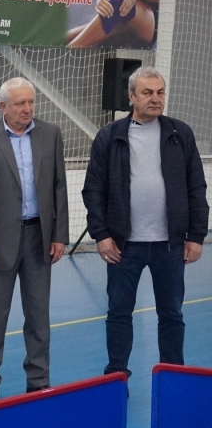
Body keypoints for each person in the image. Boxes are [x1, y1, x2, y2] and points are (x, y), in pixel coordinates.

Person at [82, 66, 208, 381]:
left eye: (160, 92)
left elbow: (196, 187)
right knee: (119, 313)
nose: (155, 98)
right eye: (147, 92)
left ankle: (173, 376)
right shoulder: (110, 136)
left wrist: (196, 235)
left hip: (170, 245)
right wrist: (101, 234)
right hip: (123, 246)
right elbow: (93, 189)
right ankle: (116, 376)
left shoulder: (180, 134)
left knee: (172, 314)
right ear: (131, 96)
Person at [0, 77, 69, 405]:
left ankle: (39, 379)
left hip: (40, 237)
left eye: (30, 102)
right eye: (20, 103)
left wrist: (60, 235)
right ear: (3, 107)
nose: (27, 109)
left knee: (38, 314)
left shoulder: (51, 135)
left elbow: (59, 187)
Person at [67, 0, 160, 48]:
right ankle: (66, 49)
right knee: (68, 37)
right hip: (128, 10)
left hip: (152, 22)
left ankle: (68, 51)